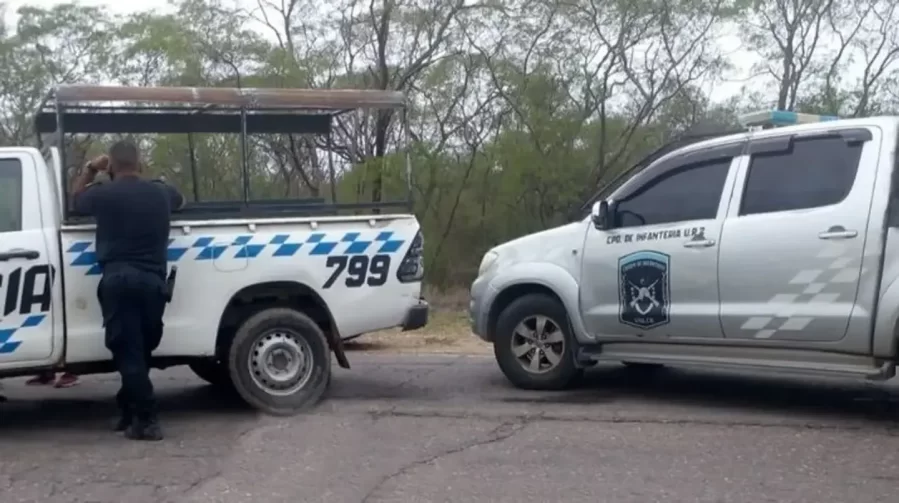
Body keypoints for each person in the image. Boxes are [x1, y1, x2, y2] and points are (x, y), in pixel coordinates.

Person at [71, 140, 185, 441]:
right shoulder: (160, 193)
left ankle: (147, 421)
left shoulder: (102, 194)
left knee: (129, 352)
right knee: (139, 351)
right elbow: (180, 198)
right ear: (139, 162)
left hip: (119, 280)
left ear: (110, 165)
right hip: (153, 283)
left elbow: (76, 200)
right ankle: (128, 410)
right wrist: (153, 177)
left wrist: (90, 170)